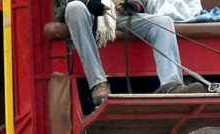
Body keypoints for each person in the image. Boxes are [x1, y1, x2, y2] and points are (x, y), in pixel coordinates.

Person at [60, 0, 205, 105]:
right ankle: (98, 84)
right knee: (74, 7)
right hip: (90, 15)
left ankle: (172, 85)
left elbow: (141, 2)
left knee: (164, 22)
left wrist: (133, 5)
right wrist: (88, 2)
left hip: (121, 16)